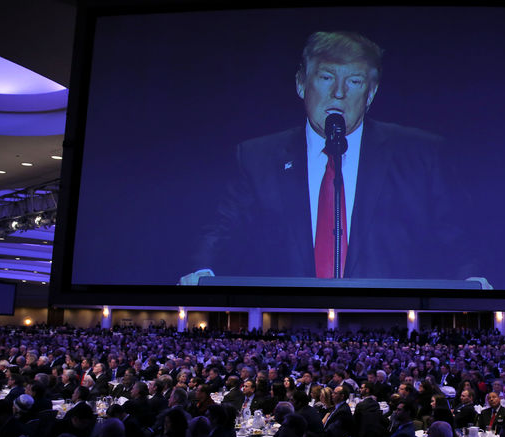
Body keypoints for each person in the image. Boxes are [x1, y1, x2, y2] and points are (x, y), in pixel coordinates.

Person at [181, 30, 486, 285]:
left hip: (386, 321)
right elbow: (221, 231)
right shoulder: (257, 157)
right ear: (301, 83)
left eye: (354, 81)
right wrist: (201, 273)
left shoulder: (421, 154)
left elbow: (459, 241)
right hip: (290, 321)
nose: (338, 92)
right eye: (326, 77)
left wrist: (473, 282)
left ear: (371, 93)